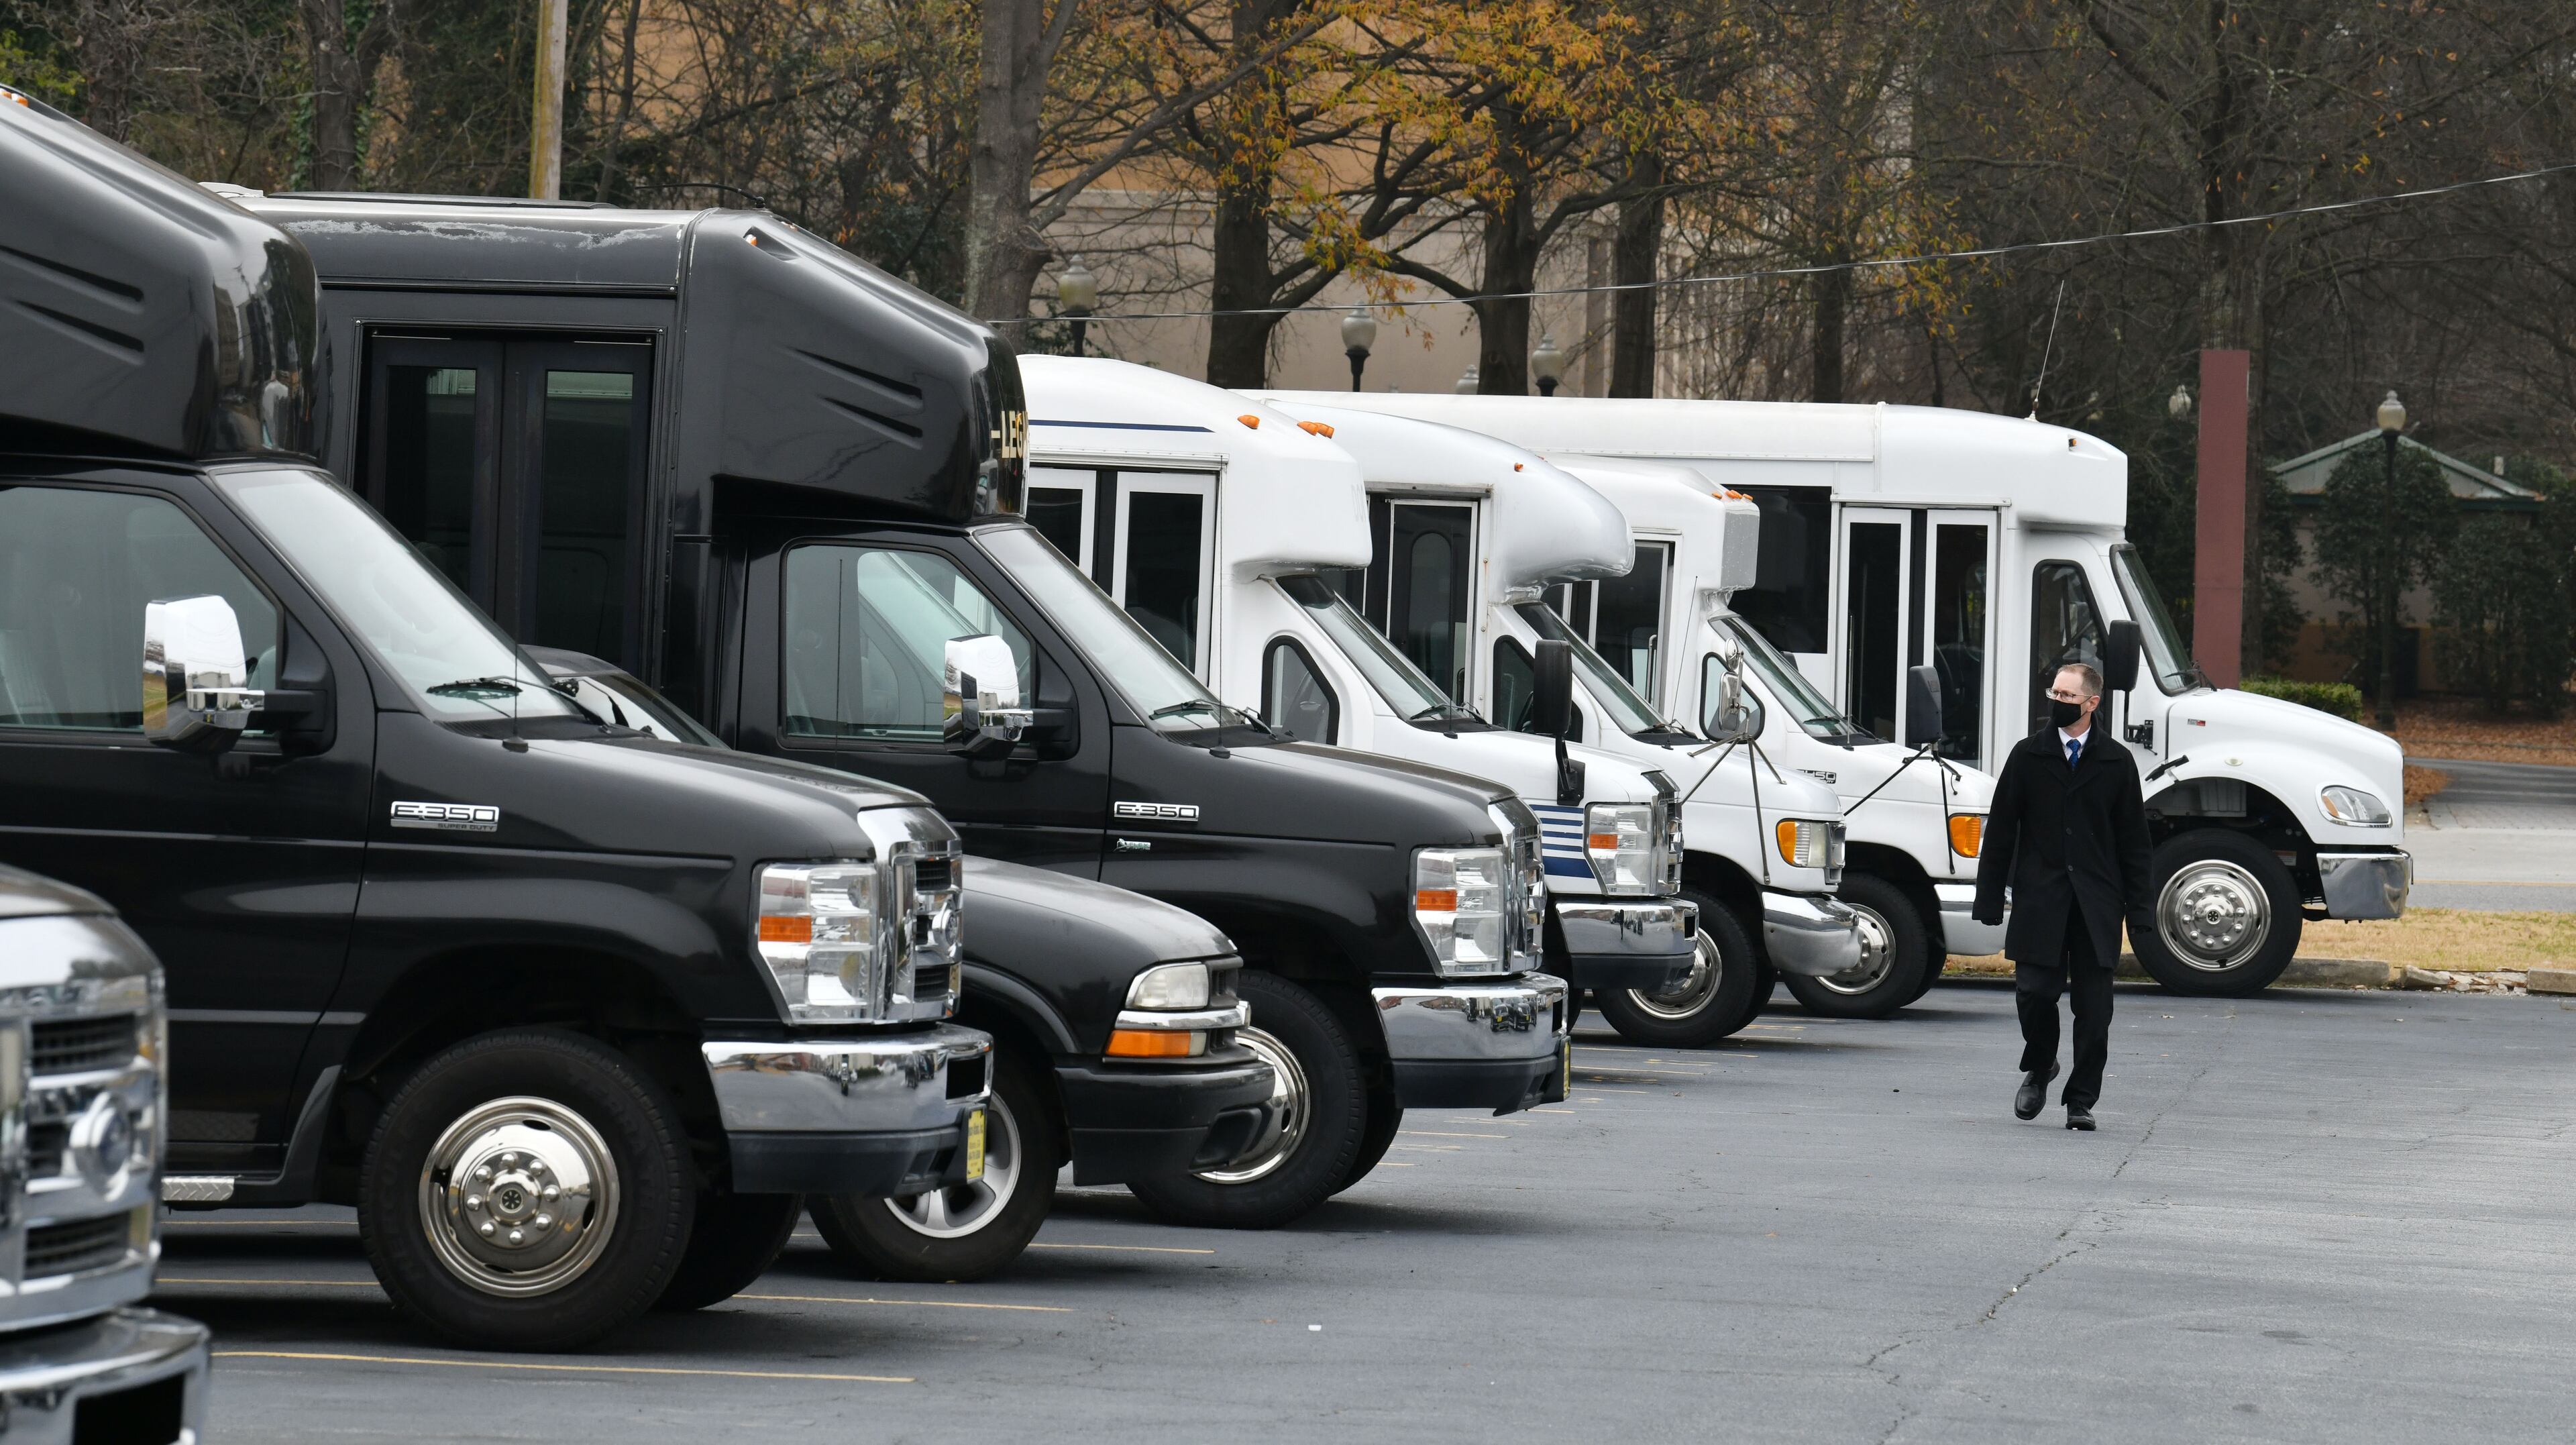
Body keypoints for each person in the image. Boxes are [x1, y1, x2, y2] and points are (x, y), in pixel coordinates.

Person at [1970, 662, 2153, 1130]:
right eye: (2055, 692)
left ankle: (2081, 1099)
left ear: (2092, 703)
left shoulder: (2116, 762)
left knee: (2094, 1010)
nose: (2058, 702)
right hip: (2041, 898)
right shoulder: (2028, 756)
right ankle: (2041, 1064)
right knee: (2034, 995)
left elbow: (2135, 843)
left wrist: (2141, 913)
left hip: (2097, 904)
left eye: (2069, 696)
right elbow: (2002, 831)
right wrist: (1989, 898)